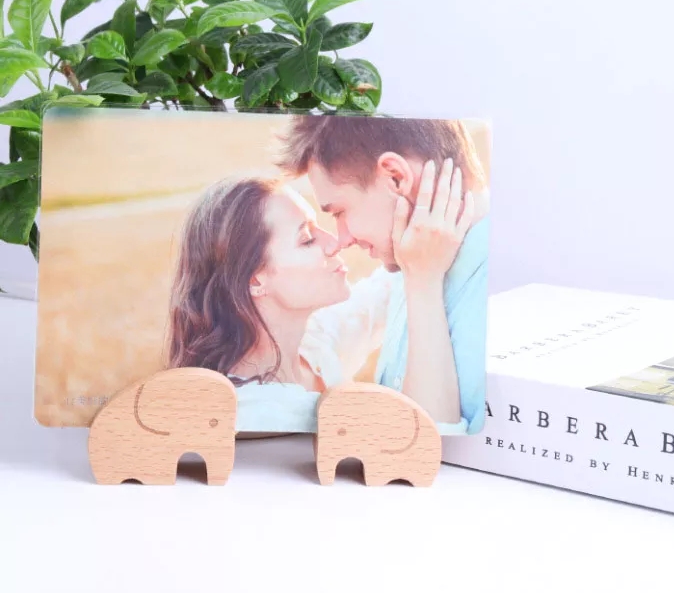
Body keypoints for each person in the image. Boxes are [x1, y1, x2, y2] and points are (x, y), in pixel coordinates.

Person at [164, 160, 472, 434]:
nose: (334, 243)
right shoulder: (259, 413)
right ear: (255, 280)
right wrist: (424, 279)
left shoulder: (312, 348)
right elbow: (427, 439)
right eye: (307, 239)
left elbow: (387, 289)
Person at [277, 115, 490, 434]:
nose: (342, 239)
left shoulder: (494, 292)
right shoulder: (411, 264)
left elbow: (426, 449)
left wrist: (423, 282)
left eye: (340, 212)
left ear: (395, 177)